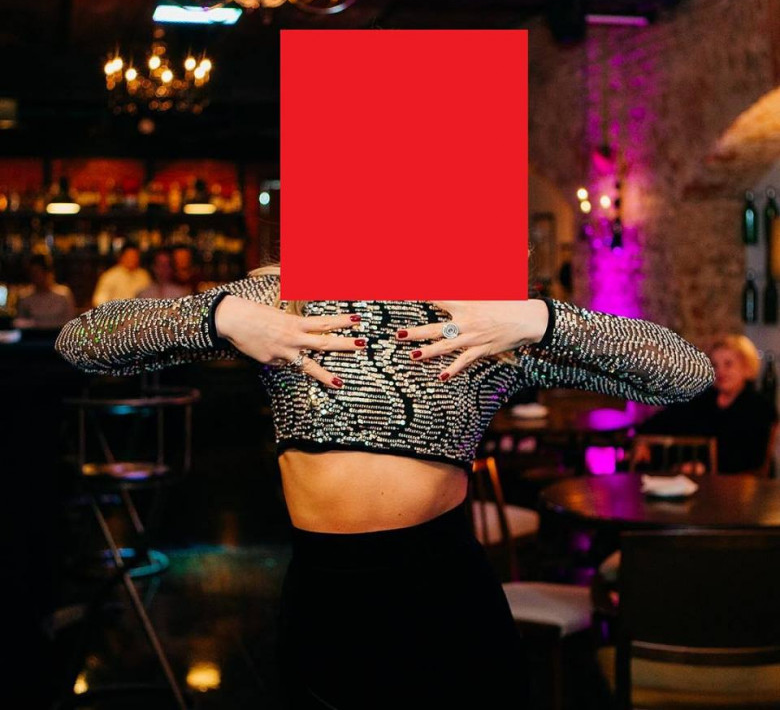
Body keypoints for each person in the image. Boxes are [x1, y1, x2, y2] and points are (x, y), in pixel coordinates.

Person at [55, 262, 714, 709]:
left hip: (445, 607)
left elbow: (686, 374)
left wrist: (537, 320)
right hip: (322, 607)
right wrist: (222, 316)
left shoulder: (488, 313)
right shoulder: (282, 296)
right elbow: (82, 342)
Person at [633, 333, 778, 476]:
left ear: (747, 368)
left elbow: (751, 459)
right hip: (692, 481)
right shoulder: (701, 399)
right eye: (715, 365)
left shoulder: (760, 408)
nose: (720, 371)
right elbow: (663, 420)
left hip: (738, 485)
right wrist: (643, 441)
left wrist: (704, 467)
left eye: (728, 364)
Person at [13, 253, 77, 330]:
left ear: (48, 273)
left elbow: (71, 324)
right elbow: (20, 324)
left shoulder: (63, 295)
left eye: (37, 273)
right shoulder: (25, 297)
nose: (35, 277)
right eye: (32, 274)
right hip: (33, 336)